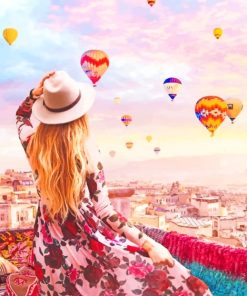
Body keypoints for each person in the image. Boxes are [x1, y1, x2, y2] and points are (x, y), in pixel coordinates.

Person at [16, 71, 212, 295]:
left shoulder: (33, 145)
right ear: (80, 114)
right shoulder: (86, 153)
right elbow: (105, 210)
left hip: (47, 248)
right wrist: (149, 245)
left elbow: (21, 117)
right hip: (87, 242)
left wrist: (34, 94)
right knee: (151, 278)